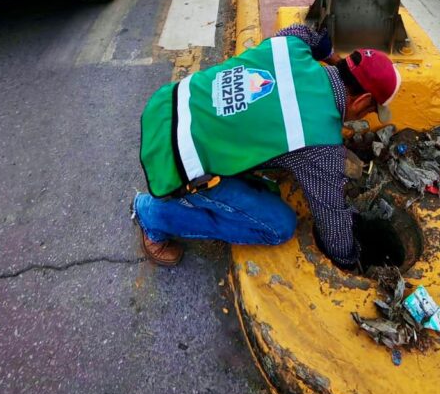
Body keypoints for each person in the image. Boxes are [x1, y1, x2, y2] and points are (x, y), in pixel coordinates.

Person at [131, 24, 402, 270]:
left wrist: (331, 57)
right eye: (370, 110)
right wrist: (349, 259)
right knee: (278, 226)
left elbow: (310, 33)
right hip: (177, 162)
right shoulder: (321, 144)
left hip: (169, 104)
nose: (364, 116)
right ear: (362, 100)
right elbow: (332, 224)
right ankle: (153, 216)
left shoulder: (290, 45)